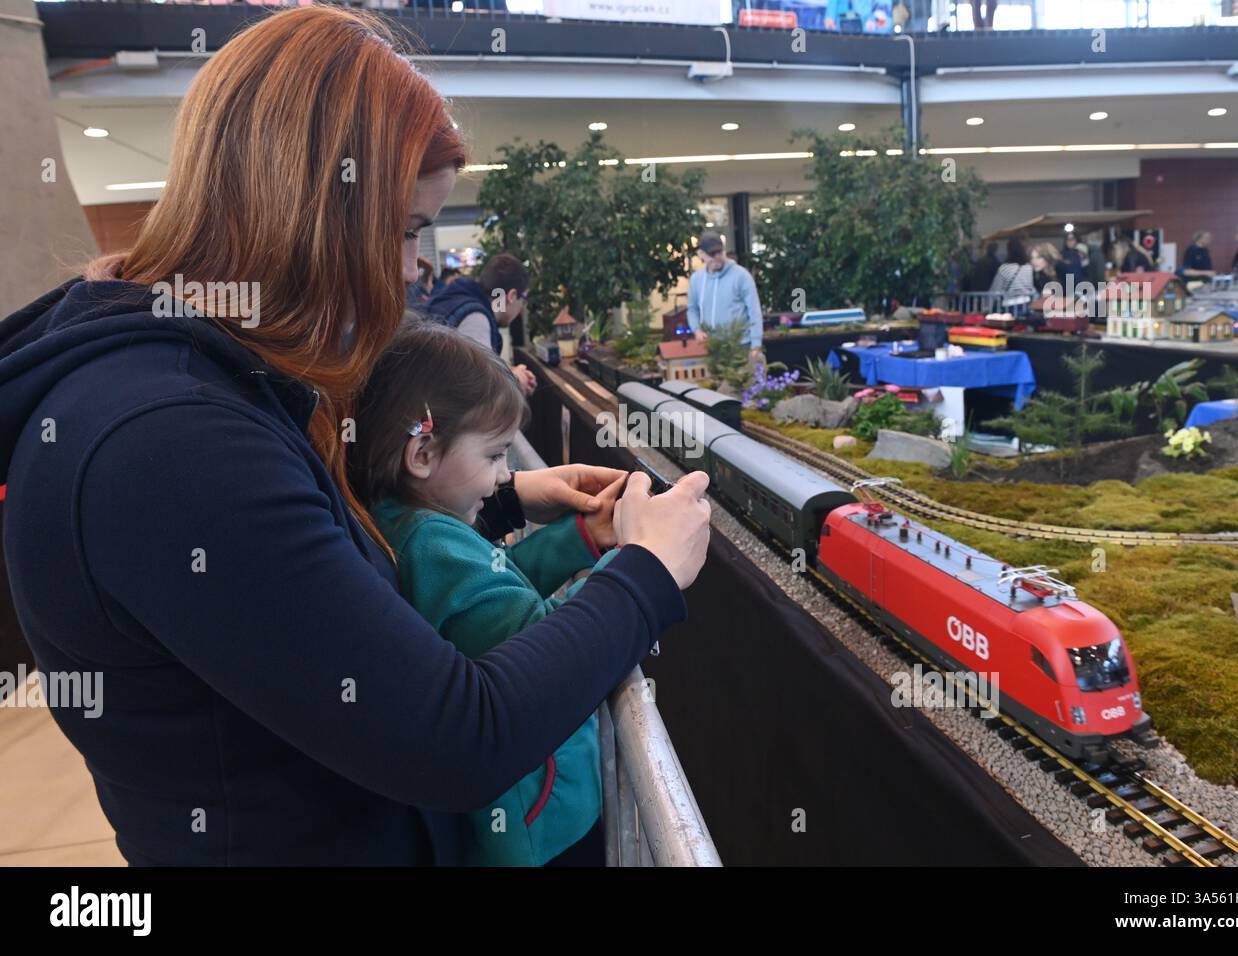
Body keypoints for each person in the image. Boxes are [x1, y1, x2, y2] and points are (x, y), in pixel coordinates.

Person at [0, 6, 711, 867]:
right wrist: (646, 574)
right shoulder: (169, 445)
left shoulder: (193, 378)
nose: (414, 269)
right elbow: (458, 736)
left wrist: (503, 499)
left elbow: (315, 581)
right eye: (406, 230)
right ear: (311, 211)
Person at [350, 323, 618, 866]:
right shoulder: (433, 542)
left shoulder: (408, 521)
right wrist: (633, 563)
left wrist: (582, 539)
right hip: (541, 829)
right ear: (422, 453)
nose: (504, 478)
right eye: (495, 455)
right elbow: (539, 639)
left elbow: (499, 590)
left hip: (533, 813)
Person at [424, 254, 536, 397]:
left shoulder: (458, 298)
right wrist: (517, 380)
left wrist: (509, 372)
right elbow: (482, 393)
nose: (521, 307)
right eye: (524, 298)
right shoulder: (476, 319)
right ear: (512, 296)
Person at [687, 231, 764, 361]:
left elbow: (754, 310)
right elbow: (692, 309)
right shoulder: (696, 279)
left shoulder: (742, 276)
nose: (717, 257)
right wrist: (697, 330)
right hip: (711, 345)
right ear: (701, 254)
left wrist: (756, 345)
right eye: (712, 254)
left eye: (720, 252)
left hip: (741, 345)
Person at [988, 237, 1035, 308]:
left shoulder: (1004, 268)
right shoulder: (1028, 267)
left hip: (1009, 304)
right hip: (1026, 303)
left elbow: (996, 289)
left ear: (1008, 250)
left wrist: (988, 305)